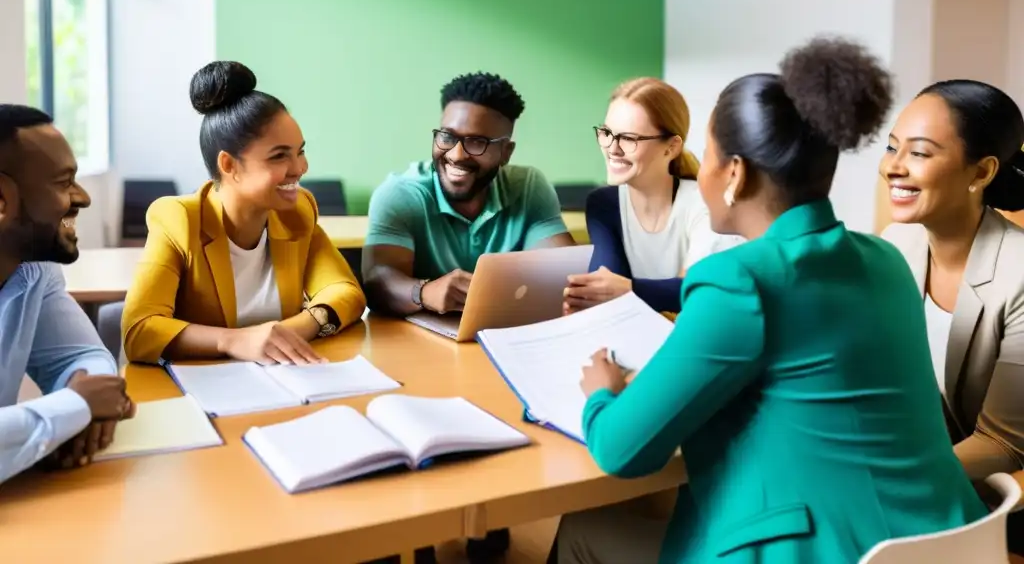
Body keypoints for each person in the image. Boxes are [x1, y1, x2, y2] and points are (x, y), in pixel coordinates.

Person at [554, 38, 985, 564]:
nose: (701, 171)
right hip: (947, 544)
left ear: (734, 173)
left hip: (817, 551)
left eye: (707, 157)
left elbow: (622, 450)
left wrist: (603, 392)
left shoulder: (737, 282)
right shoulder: (887, 261)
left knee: (581, 530)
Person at [362, 71, 574, 564]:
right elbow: (376, 280)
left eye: (478, 142)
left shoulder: (529, 187)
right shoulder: (400, 193)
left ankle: (487, 519)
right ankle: (422, 530)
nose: (456, 155)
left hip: (493, 348)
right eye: (448, 137)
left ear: (506, 151)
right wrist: (423, 289)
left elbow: (558, 264)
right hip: (413, 356)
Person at [121, 62, 365, 364]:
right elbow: (139, 330)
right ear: (229, 165)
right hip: (202, 391)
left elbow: (346, 291)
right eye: (279, 156)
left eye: (300, 151)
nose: (300, 168)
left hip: (285, 383)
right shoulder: (179, 219)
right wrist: (233, 341)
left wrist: (289, 330)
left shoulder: (297, 211)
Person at [880, 79, 1024, 552]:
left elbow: (1004, 445)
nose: (893, 168)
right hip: (929, 480)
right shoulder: (894, 246)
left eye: (919, 153)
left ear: (981, 172)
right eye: (892, 147)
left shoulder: (1019, 273)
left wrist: (888, 478)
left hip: (1004, 501)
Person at [0, 106, 135, 484]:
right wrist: (75, 406)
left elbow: (79, 355)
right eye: (63, 183)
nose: (83, 197)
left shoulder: (34, 268)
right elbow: (77, 400)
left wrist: (91, 403)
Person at [563, 78, 740, 315]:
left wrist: (629, 289)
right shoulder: (603, 204)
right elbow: (604, 289)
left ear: (671, 148)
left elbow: (699, 291)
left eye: (628, 138)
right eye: (606, 133)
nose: (612, 149)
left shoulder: (705, 203)